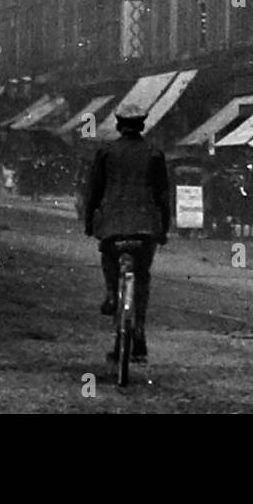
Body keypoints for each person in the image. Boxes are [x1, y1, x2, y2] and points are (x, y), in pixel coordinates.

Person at [83, 104, 171, 363]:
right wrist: (163, 228)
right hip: (145, 228)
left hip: (112, 226)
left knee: (109, 259)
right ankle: (140, 332)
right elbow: (163, 197)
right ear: (142, 125)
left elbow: (93, 192)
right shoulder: (154, 154)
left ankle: (112, 293)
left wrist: (90, 222)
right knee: (142, 278)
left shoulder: (106, 152)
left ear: (120, 125)